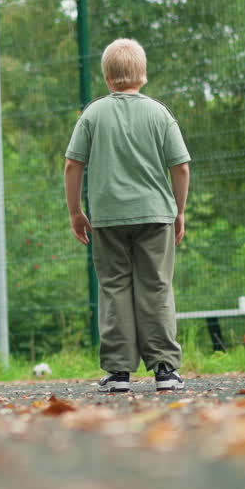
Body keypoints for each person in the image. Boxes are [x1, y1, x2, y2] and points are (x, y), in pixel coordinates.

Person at [64, 37, 190, 392]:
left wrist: (76, 211)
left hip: (107, 217)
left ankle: (118, 373)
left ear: (106, 77)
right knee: (157, 286)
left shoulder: (92, 114)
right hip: (155, 215)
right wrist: (179, 211)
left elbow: (73, 164)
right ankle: (165, 369)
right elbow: (180, 167)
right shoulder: (159, 113)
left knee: (114, 287)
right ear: (143, 75)